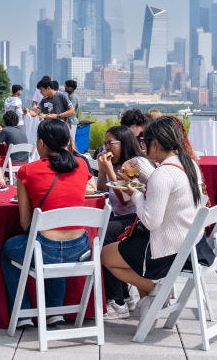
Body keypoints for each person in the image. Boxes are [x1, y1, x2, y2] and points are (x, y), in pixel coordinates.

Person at [101, 117, 204, 319]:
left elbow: (150, 221)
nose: (142, 146)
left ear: (155, 144)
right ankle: (149, 296)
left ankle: (155, 288)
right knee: (125, 242)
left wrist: (136, 194)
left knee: (105, 254)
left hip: (165, 250)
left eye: (145, 142)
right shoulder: (189, 164)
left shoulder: (163, 173)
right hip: (191, 245)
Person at [1, 119, 93, 328]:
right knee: (50, 246)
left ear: (40, 143)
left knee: (11, 249)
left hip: (46, 249)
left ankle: (23, 313)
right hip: (80, 249)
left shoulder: (27, 171)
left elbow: (25, 223)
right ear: (67, 141)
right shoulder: (81, 167)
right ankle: (55, 311)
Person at [96, 125, 154, 319]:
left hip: (136, 219)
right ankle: (126, 296)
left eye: (110, 143)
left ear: (125, 142)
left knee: (101, 236)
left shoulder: (135, 164)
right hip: (121, 217)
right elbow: (103, 189)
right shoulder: (121, 164)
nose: (106, 147)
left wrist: (111, 170)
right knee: (103, 229)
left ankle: (116, 301)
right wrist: (103, 170)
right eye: (104, 143)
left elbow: (126, 199)